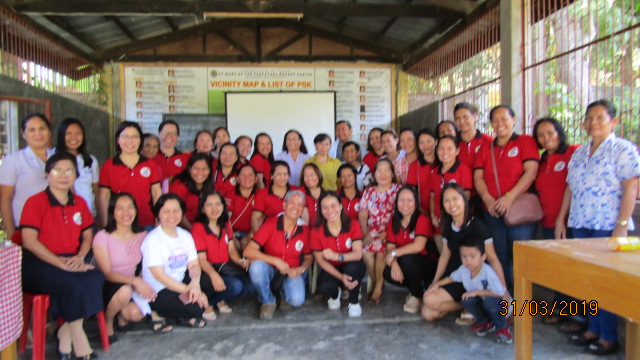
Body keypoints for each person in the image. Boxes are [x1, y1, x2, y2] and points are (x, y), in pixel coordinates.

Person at [556, 100, 640, 356]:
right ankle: (593, 329)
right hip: (580, 222)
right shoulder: (579, 153)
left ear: (613, 121)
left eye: (599, 118)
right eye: (589, 118)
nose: (593, 123)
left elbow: (630, 187)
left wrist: (622, 225)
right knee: (587, 280)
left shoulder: (623, 149)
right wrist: (561, 219)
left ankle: (608, 337)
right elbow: (570, 187)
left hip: (607, 225)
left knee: (605, 282)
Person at [20, 152, 104, 359]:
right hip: (38, 265)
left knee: (96, 277)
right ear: (47, 175)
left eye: (69, 171)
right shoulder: (35, 202)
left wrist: (80, 258)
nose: (63, 175)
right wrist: (59, 263)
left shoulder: (80, 203)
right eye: (57, 171)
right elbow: (29, 240)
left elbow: (87, 236)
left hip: (71, 260)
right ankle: (81, 344)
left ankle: (64, 339)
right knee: (73, 284)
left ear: (75, 176)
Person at [473, 105, 539, 290]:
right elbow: (478, 176)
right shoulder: (486, 148)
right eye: (495, 120)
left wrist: (510, 197)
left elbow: (531, 172)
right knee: (499, 256)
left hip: (520, 211)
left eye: (504, 119)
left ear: (514, 120)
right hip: (492, 211)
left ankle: (522, 303)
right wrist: (487, 198)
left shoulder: (525, 142)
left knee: (520, 257)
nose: (499, 124)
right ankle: (506, 299)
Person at [422, 184, 505, 323]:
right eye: (446, 201)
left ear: (464, 199)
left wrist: (504, 291)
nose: (451, 204)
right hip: (454, 276)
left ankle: (472, 304)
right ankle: (469, 305)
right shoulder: (447, 225)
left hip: (472, 278)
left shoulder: (478, 225)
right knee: (427, 313)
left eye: (455, 199)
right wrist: (435, 281)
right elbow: (445, 255)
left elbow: (492, 258)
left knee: (429, 300)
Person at [137, 193, 212, 330]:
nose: (172, 215)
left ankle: (180, 311)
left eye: (176, 210)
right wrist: (193, 291)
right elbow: (160, 276)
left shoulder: (185, 235)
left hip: (180, 281)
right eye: (166, 211)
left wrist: (195, 282)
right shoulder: (152, 239)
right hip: (159, 289)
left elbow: (194, 264)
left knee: (209, 281)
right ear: (158, 214)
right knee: (198, 309)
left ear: (182, 212)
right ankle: (161, 313)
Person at [93, 193, 155, 339]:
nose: (126, 213)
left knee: (136, 314)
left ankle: (121, 317)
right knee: (124, 291)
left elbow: (144, 265)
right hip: (108, 284)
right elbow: (107, 272)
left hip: (132, 284)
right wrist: (135, 281)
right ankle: (107, 321)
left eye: (130, 208)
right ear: (112, 212)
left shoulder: (143, 235)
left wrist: (140, 280)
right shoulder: (102, 236)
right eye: (120, 208)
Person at [243, 190, 313, 320]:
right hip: (270, 269)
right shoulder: (271, 223)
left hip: (291, 271)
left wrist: (301, 269)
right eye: (292, 203)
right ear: (284, 205)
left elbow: (309, 257)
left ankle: (282, 293)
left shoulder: (304, 229)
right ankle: (268, 301)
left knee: (296, 300)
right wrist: (275, 261)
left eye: (300, 205)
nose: (295, 208)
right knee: (256, 267)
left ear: (303, 209)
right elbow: (248, 251)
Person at [431, 237, 511, 344]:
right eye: (464, 256)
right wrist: (437, 284)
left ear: (483, 257)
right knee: (466, 300)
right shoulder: (464, 270)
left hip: (499, 305)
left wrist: (476, 292)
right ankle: (486, 322)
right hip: (483, 304)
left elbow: (499, 293)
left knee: (489, 301)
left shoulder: (488, 272)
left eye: (473, 256)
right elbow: (452, 278)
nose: (468, 261)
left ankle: (503, 328)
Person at [192, 191, 255, 316]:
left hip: (225, 267)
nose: (214, 208)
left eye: (218, 204)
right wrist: (214, 275)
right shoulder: (198, 227)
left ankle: (219, 298)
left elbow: (231, 250)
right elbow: (201, 259)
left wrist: (241, 262)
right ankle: (207, 303)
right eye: (209, 205)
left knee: (251, 287)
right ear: (203, 209)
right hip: (208, 271)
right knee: (236, 286)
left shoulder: (226, 224)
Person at [383, 186, 438, 313]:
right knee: (387, 272)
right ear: (396, 203)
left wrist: (394, 253)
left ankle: (417, 296)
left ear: (416, 202)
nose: (405, 204)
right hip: (408, 264)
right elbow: (390, 247)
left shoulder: (422, 219)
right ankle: (417, 289)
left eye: (409, 200)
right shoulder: (393, 221)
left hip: (428, 264)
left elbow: (418, 246)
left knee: (408, 259)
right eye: (401, 200)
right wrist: (394, 263)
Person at [99, 121, 162, 231]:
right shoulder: (109, 165)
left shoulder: (150, 165)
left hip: (146, 222)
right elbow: (104, 196)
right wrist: (105, 223)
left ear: (140, 140)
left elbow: (156, 193)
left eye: (134, 136)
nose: (130, 141)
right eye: (125, 136)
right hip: (119, 223)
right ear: (118, 139)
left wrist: (159, 218)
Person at [311, 191, 365, 317]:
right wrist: (341, 277)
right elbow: (320, 260)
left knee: (353, 268)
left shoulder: (353, 225)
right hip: (331, 268)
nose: (330, 211)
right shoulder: (316, 231)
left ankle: (354, 301)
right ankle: (336, 294)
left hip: (351, 264)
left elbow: (357, 254)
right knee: (324, 287)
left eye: (333, 205)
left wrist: (337, 256)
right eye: (325, 207)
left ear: (341, 206)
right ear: (320, 210)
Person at [0, 113, 53, 239]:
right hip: (25, 229)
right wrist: (12, 234)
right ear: (23, 134)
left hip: (55, 227)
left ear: (50, 132)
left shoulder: (58, 158)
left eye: (42, 128)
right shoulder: (13, 160)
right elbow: (4, 199)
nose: (38, 134)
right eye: (31, 130)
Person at [358, 159, 401, 303]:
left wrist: (390, 233)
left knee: (381, 252)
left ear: (392, 173)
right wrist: (365, 231)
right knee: (365, 252)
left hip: (391, 232)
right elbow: (363, 213)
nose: (383, 174)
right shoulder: (369, 191)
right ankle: (379, 283)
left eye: (386, 170)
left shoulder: (398, 190)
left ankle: (377, 290)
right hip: (371, 231)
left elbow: (403, 214)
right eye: (379, 170)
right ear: (374, 173)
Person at [430, 135, 473, 253]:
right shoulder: (435, 172)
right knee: (443, 257)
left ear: (457, 151)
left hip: (457, 223)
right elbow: (433, 196)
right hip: (439, 225)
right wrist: (433, 215)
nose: (445, 152)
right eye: (441, 148)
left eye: (449, 148)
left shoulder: (463, 169)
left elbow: (466, 196)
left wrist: (451, 217)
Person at [454, 102, 493, 218]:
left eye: (465, 117)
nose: (462, 121)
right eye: (458, 118)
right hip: (460, 196)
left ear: (475, 116)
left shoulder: (488, 141)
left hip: (485, 196)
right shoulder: (452, 144)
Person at [55, 118, 100, 218]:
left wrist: (101, 216)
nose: (74, 137)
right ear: (61, 135)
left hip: (89, 215)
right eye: (69, 133)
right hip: (63, 216)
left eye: (78, 133)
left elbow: (96, 190)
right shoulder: (52, 157)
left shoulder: (91, 160)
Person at [169, 153, 214, 230]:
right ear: (189, 169)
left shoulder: (210, 184)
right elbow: (176, 211)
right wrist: (193, 231)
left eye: (204, 169)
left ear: (209, 170)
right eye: (196, 168)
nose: (200, 172)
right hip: (179, 229)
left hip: (200, 227)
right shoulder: (179, 185)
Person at [251, 161, 294, 234]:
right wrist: (259, 239)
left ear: (289, 176)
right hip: (271, 233)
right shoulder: (263, 193)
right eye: (279, 174)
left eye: (285, 174)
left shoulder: (296, 191)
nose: (282, 177)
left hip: (293, 232)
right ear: (272, 176)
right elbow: (255, 218)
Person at [407, 128, 438, 216]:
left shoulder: (443, 163)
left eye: (429, 141)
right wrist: (421, 211)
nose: (425, 145)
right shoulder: (414, 166)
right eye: (421, 143)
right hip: (422, 212)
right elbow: (411, 192)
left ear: (436, 141)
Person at [229, 165, 258, 248]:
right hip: (232, 233)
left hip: (251, 234)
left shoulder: (260, 195)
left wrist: (249, 237)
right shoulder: (230, 194)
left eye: (250, 175)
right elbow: (226, 218)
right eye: (243, 175)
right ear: (237, 179)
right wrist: (232, 238)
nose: (247, 178)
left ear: (256, 179)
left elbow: (260, 219)